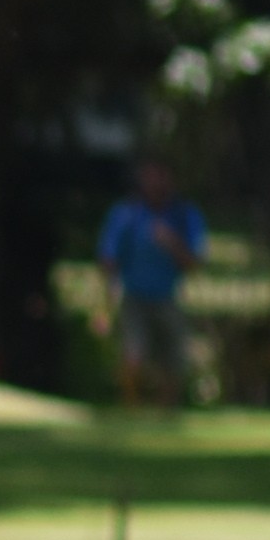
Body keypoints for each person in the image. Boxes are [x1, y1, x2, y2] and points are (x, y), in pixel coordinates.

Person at [97, 147, 214, 408]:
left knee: (173, 361)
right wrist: (107, 299)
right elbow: (108, 259)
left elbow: (195, 263)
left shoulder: (184, 215)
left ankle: (167, 412)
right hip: (133, 298)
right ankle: (131, 407)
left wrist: (172, 243)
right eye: (149, 176)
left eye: (160, 175)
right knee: (133, 356)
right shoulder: (126, 214)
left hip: (168, 297)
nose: (154, 182)